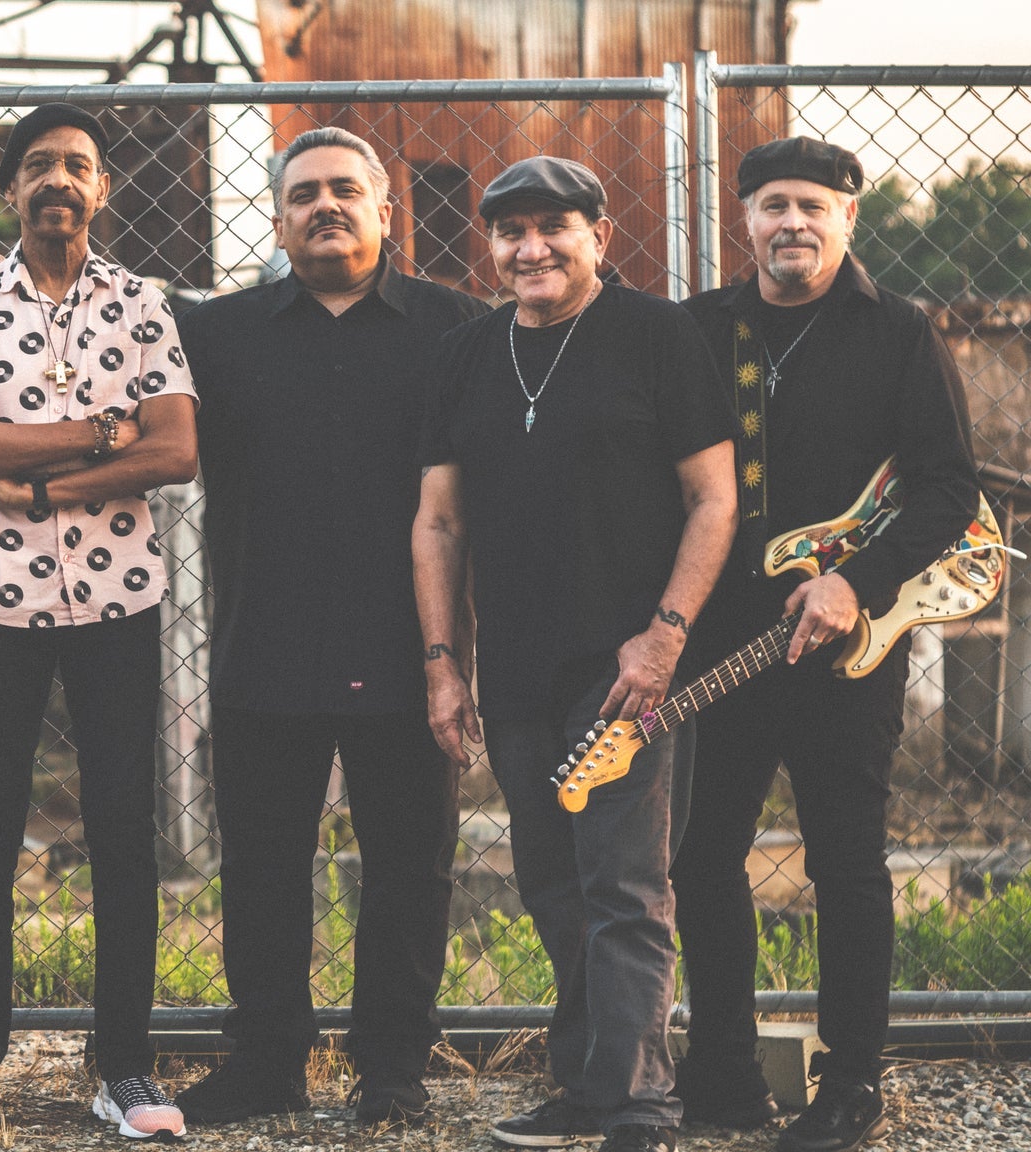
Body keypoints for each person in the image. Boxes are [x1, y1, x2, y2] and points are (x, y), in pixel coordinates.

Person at [412, 156, 737, 1152]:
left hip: (623, 666)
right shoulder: (467, 353)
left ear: (599, 235)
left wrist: (664, 635)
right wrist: (443, 662)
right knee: (552, 882)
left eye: (553, 227)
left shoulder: (656, 335)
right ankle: (593, 1085)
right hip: (515, 670)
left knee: (623, 884)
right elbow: (438, 523)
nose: (531, 249)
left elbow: (712, 500)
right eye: (510, 232)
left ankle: (641, 1104)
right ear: (490, 246)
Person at [172, 127, 487, 1130]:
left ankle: (391, 1069)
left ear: (385, 212)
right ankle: (267, 1061)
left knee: (409, 868)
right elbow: (109, 336)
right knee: (262, 866)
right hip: (265, 638)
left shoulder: (457, 327)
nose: (325, 206)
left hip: (409, 648)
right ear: (276, 220)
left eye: (345, 190)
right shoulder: (217, 334)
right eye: (303, 193)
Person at [670, 137, 980, 1152]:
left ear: (848, 216)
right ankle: (722, 1072)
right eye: (772, 205)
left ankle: (850, 1084)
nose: (791, 222)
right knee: (701, 855)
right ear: (745, 220)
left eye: (811, 205)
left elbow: (947, 487)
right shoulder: (701, 329)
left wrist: (855, 582)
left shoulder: (898, 330)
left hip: (850, 647)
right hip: (725, 643)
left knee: (845, 862)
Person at [0, 102, 199, 1144]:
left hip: (119, 599)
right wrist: (102, 433)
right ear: (10, 188)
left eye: (76, 164)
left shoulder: (142, 303)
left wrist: (36, 480)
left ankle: (125, 1068)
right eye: (37, 165)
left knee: (122, 831)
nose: (57, 179)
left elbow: (175, 450)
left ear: (101, 188)